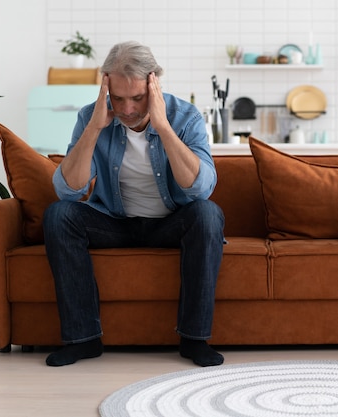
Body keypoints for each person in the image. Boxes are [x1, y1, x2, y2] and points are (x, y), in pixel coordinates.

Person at [43, 41, 225, 367]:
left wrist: (163, 126)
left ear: (154, 84)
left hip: (171, 222)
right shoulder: (91, 117)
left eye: (137, 98)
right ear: (105, 87)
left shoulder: (185, 117)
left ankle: (195, 339)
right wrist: (95, 127)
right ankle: (83, 339)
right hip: (116, 222)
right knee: (59, 215)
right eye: (118, 98)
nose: (127, 109)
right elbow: (68, 191)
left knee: (207, 214)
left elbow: (200, 189)